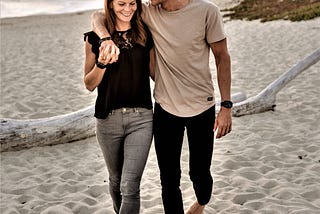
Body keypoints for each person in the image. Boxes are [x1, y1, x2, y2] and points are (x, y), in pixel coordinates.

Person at [91, 0, 232, 213]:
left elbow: (222, 56)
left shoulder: (207, 11)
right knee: (168, 178)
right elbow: (99, 15)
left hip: (202, 106)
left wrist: (226, 106)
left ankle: (202, 202)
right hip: (165, 108)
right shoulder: (149, 12)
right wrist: (105, 38)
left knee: (200, 174)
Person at [83, 0, 155, 213]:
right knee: (115, 180)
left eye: (132, 3)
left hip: (141, 118)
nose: (127, 9)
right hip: (107, 120)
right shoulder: (94, 38)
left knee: (130, 185)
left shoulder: (145, 35)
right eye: (121, 3)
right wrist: (102, 63)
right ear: (111, 5)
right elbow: (89, 84)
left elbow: (155, 75)